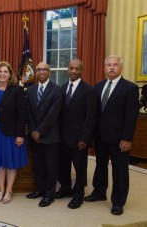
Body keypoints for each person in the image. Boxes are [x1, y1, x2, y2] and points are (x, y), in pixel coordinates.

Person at [84, 55, 140, 215]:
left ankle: (118, 202)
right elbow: (95, 114)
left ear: (121, 67)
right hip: (100, 136)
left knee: (120, 170)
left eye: (115, 65)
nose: (112, 67)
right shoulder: (98, 86)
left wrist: (127, 138)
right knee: (100, 166)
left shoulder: (129, 88)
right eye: (108, 65)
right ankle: (99, 192)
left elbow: (131, 116)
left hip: (119, 138)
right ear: (104, 68)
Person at [0, 61, 27, 204]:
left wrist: (20, 134)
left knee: (10, 161)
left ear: (10, 74)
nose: (2, 74)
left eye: (5, 72)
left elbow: (22, 114)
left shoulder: (17, 90)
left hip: (11, 131)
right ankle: (1, 189)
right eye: (0, 71)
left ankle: (9, 190)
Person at [56, 59, 96, 209]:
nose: (73, 71)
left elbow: (90, 117)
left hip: (79, 139)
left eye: (77, 69)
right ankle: (65, 189)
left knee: (80, 168)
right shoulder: (62, 88)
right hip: (62, 137)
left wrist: (85, 138)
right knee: (63, 166)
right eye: (71, 68)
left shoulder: (89, 90)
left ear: (82, 71)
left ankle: (78, 195)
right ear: (68, 69)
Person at [25, 62, 62, 207]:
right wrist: (34, 130)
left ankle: (49, 194)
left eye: (44, 69)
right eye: (38, 69)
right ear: (35, 72)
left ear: (49, 72)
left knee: (50, 166)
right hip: (34, 136)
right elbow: (29, 112)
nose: (41, 72)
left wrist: (40, 131)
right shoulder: (30, 90)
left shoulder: (57, 90)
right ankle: (39, 190)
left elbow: (53, 114)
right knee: (38, 165)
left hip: (50, 135)